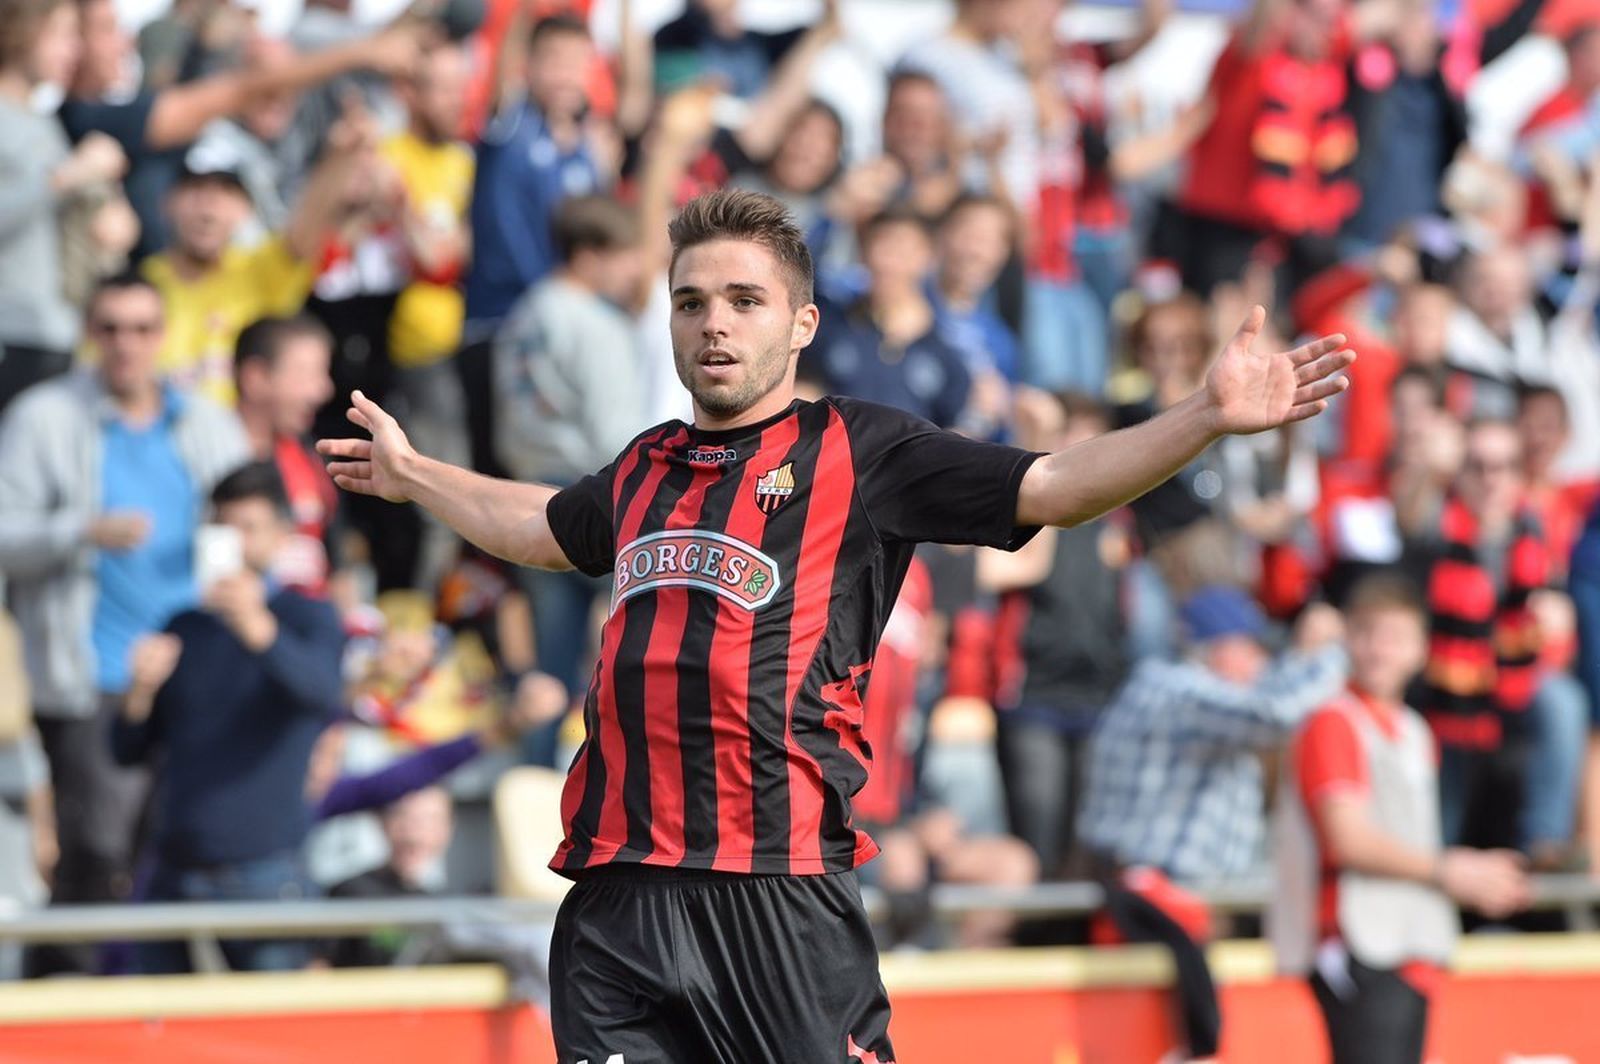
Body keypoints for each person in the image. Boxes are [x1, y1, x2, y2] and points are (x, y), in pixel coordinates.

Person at [318, 187, 1353, 1063]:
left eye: (744, 300)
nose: (714, 324)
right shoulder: (641, 468)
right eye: (690, 302)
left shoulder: (862, 452)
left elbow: (1053, 485)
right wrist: (416, 476)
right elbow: (544, 526)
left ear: (802, 324)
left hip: (776, 894)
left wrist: (1202, 417)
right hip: (617, 898)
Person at [0, 272, 247, 975]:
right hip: (92, 678)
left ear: (163, 335)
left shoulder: (206, 423)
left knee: (166, 850)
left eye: (141, 329)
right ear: (89, 334)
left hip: (190, 676)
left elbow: (252, 524)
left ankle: (141, 995)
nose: (125, 345)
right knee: (98, 851)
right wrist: (80, 530)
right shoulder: (44, 417)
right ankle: (68, 996)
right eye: (110, 328)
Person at [1078, 586, 1348, 1059]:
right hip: (1152, 909)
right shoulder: (1174, 688)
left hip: (1178, 912)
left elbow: (1265, 696)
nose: (1262, 662)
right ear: (1221, 648)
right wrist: (1338, 654)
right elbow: (1274, 712)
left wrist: (1308, 655)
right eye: (1253, 649)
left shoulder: (1174, 687)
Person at [1273, 572, 1530, 1064]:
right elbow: (1347, 838)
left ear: (1420, 650)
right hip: (1357, 943)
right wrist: (1449, 871)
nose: (1378, 649)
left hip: (1406, 942)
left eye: (1393, 636)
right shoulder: (1334, 720)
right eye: (1366, 632)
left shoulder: (1413, 729)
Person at [113, 461, 346, 974]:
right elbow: (127, 749)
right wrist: (139, 692)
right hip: (174, 869)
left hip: (267, 869)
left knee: (273, 1023)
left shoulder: (308, 617)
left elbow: (323, 696)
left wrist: (258, 629)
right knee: (158, 1019)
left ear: (282, 535)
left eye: (248, 528)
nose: (233, 542)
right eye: (221, 527)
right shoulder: (184, 627)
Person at [493, 194, 646, 758]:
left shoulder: (525, 312)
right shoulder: (595, 323)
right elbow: (616, 433)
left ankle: (534, 771)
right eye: (624, 256)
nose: (634, 271)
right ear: (588, 255)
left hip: (532, 494)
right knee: (636, 648)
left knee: (549, 660)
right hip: (596, 494)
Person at [0, 0, 128, 412]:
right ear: (21, 31)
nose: (74, 49)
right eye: (61, 34)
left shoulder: (42, 121)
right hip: (12, 334)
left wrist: (109, 217)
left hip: (57, 333)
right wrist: (69, 176)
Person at [233, 315, 342, 596]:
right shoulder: (205, 459)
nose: (324, 390)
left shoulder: (312, 459)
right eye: (308, 374)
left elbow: (338, 566)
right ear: (256, 378)